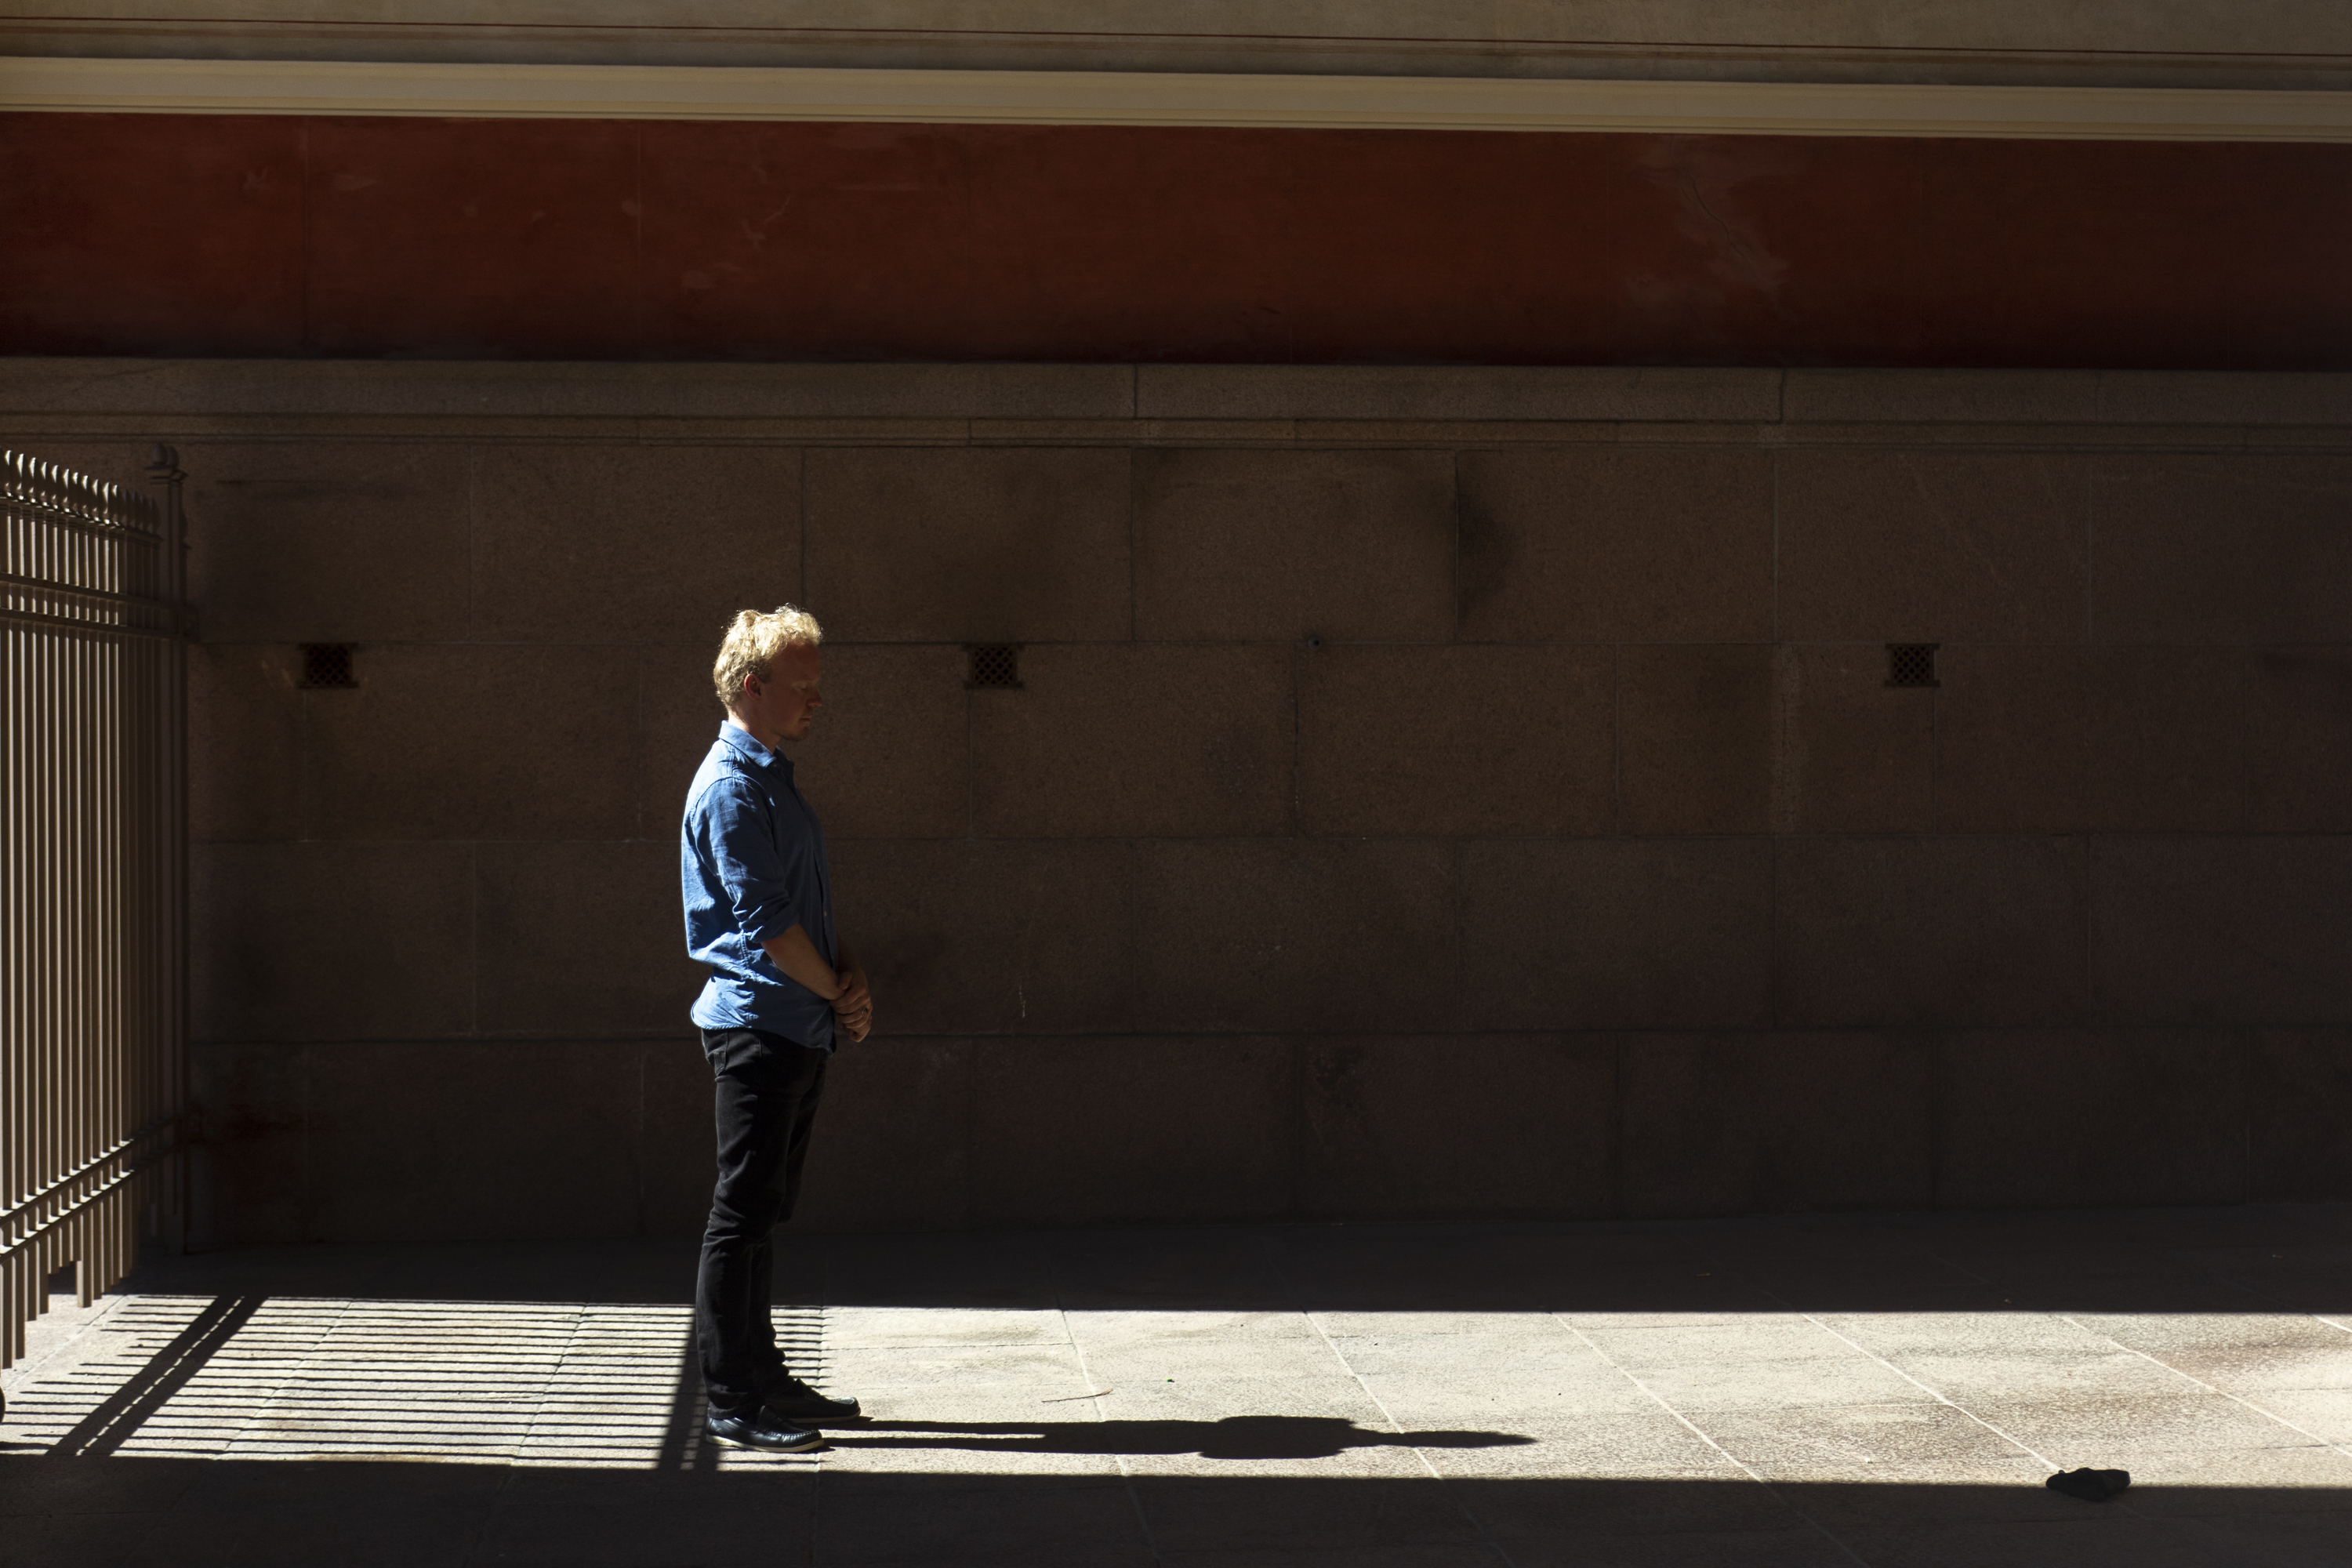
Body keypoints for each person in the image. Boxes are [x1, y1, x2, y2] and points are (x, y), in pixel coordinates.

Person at [681, 604, 873, 1452]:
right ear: (752, 686)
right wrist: (837, 989)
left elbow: (807, 906)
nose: (816, 700)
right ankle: (729, 1393)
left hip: (796, 1018)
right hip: (760, 1023)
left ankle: (762, 1375)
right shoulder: (731, 788)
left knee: (763, 1208)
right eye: (803, 685)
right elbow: (766, 924)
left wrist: (849, 977)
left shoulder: (769, 780)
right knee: (741, 1210)